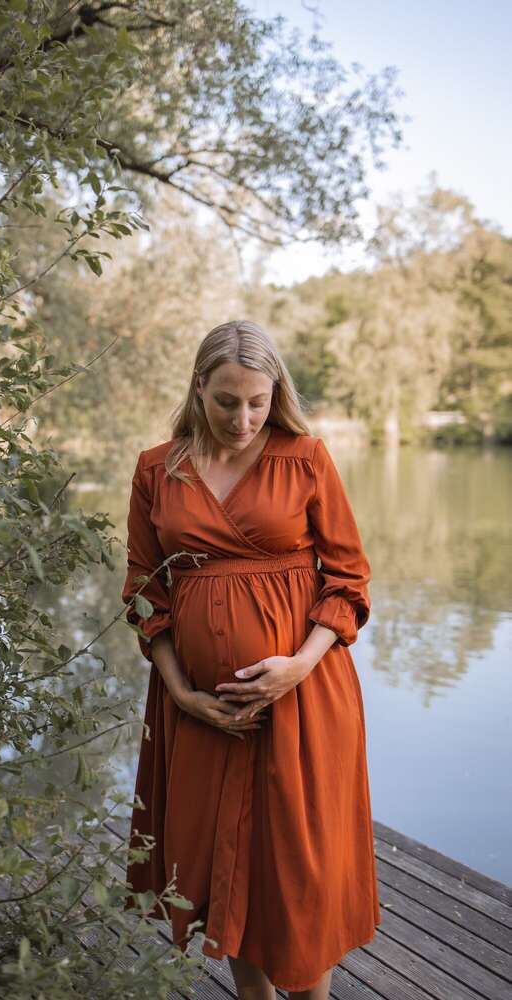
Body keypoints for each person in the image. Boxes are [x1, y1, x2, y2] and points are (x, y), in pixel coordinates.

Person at [120, 320, 381, 999]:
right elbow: (146, 592)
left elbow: (348, 581)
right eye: (226, 401)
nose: (243, 419)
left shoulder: (305, 458)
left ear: (276, 395)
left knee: (300, 868)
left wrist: (299, 664)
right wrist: (181, 693)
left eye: (257, 403)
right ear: (198, 388)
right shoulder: (158, 468)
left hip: (304, 695)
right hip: (201, 710)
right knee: (222, 865)